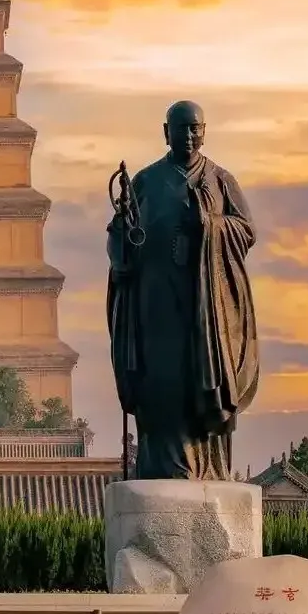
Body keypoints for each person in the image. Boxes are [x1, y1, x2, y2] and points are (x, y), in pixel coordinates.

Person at [107, 100, 259, 480]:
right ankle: (162, 467)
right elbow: (119, 238)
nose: (189, 135)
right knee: (161, 382)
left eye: (195, 128)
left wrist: (207, 224)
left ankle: (208, 468)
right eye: (181, 128)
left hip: (206, 306)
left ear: (204, 132)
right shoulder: (146, 180)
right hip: (157, 303)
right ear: (166, 132)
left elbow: (246, 230)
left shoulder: (221, 180)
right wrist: (124, 242)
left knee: (202, 380)